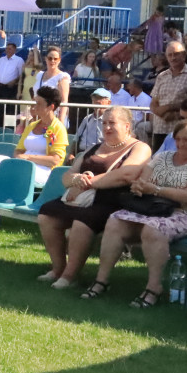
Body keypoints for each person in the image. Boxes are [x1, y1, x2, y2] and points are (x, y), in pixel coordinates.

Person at [83, 118, 187, 307]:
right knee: (115, 220)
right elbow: (143, 182)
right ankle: (101, 280)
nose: (180, 144)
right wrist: (140, 187)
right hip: (152, 209)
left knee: (153, 228)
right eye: (178, 139)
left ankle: (153, 287)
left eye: (186, 140)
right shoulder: (162, 157)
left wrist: (155, 190)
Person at [37, 107, 151, 288]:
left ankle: (69, 276)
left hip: (112, 201)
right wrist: (75, 179)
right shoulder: (93, 148)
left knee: (82, 222)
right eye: (104, 123)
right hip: (81, 198)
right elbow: (67, 177)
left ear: (127, 126)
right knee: (47, 214)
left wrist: (85, 184)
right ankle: (58, 269)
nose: (106, 127)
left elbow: (126, 175)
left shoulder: (140, 148)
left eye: (112, 123)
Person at [0, 86, 68, 229]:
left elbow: (55, 160)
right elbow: (18, 151)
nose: (35, 107)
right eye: (35, 102)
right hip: (24, 165)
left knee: (9, 169)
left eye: (39, 103)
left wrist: (28, 158)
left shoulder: (56, 128)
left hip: (44, 171)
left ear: (51, 106)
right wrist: (22, 158)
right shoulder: (32, 126)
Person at [148, 41, 187, 150]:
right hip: (159, 129)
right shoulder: (162, 76)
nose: (173, 58)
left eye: (176, 54)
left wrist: (168, 108)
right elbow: (153, 102)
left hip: (181, 131)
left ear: (184, 55)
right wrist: (159, 112)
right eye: (170, 55)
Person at [68, 88, 112, 161]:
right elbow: (76, 138)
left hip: (99, 155)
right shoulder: (87, 118)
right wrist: (71, 154)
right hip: (81, 154)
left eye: (100, 98)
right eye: (94, 98)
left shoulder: (110, 121)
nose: (96, 101)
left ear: (109, 102)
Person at [35, 47, 71, 125]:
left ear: (59, 60)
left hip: (54, 117)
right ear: (46, 59)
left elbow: (64, 101)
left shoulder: (62, 77)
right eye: (50, 58)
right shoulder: (40, 75)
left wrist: (61, 120)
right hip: (39, 115)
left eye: (55, 59)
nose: (52, 61)